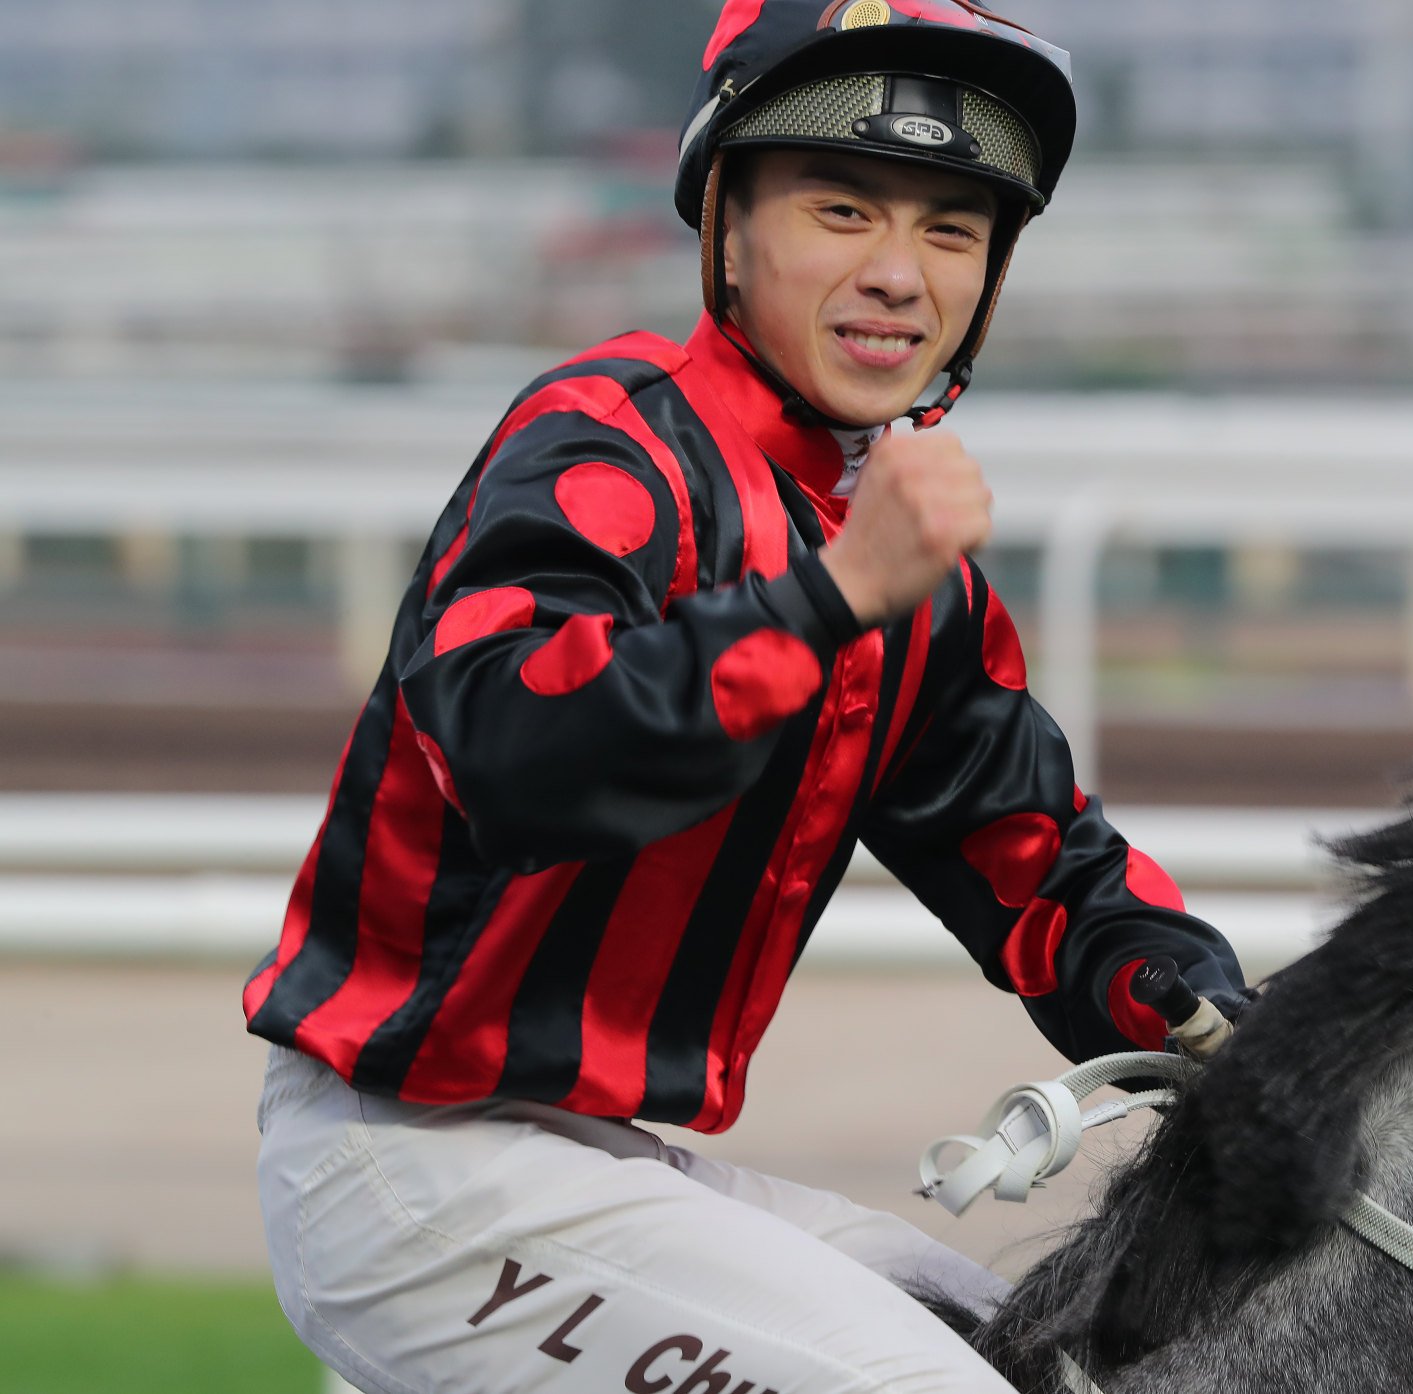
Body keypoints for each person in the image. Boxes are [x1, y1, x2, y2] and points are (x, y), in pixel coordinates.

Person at [245, 3, 1249, 1390]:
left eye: (952, 230)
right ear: (726, 220)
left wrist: (1207, 1008)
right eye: (845, 209)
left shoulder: (915, 591)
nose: (899, 274)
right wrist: (830, 597)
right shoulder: (605, 442)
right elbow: (522, 755)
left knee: (1048, 1360)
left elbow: (1050, 878)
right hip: (412, 1165)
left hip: (605, 1165)